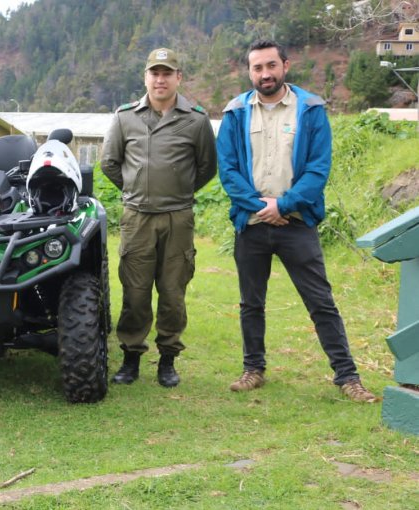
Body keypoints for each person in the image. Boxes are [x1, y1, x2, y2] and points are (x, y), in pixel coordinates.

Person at [216, 40, 377, 402]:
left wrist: (284, 205)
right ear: (250, 71)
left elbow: (318, 170)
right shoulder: (235, 112)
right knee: (251, 303)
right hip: (252, 224)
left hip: (298, 224)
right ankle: (253, 369)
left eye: (271, 65)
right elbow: (228, 171)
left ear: (285, 66)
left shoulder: (311, 108)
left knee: (321, 302)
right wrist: (261, 207)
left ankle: (348, 377)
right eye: (257, 68)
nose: (265, 74)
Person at [100, 48, 217, 388]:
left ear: (179, 77)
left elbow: (207, 167)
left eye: (168, 73)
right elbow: (110, 162)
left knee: (172, 293)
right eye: (155, 73)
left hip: (178, 219)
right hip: (137, 219)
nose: (160, 79)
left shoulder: (196, 120)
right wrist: (136, 189)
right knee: (135, 294)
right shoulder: (125, 117)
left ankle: (167, 360)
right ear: (146, 77)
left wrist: (176, 192)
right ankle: (131, 359)